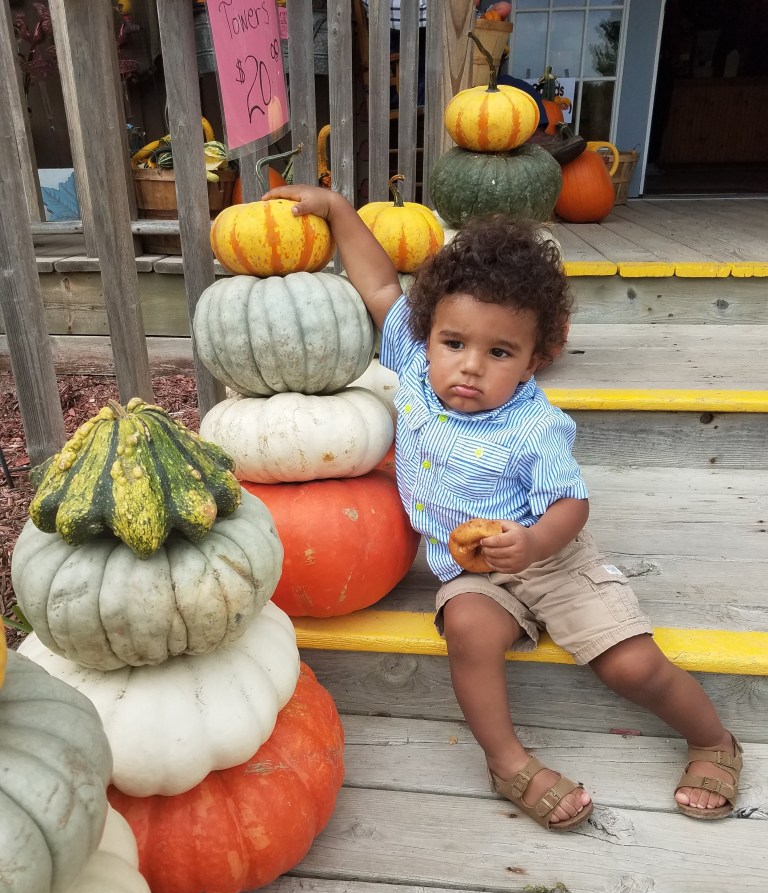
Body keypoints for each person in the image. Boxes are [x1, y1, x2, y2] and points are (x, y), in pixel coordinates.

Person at [262, 182, 744, 832]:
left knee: (631, 663)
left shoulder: (533, 427)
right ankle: (506, 759)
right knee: (468, 630)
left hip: (553, 559)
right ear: (428, 335)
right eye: (454, 342)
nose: (469, 367)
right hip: (472, 573)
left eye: (499, 353)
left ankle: (713, 739)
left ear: (534, 360)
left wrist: (534, 543)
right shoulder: (412, 367)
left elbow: (571, 506)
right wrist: (340, 212)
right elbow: (379, 286)